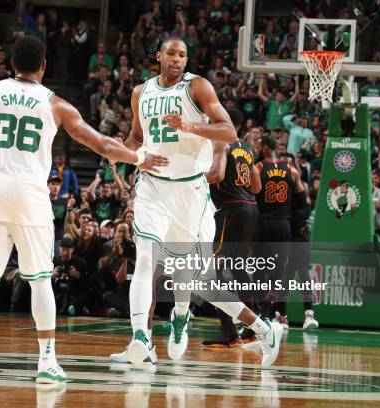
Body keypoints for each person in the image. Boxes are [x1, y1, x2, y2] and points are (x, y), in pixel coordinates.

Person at [0, 36, 168, 385]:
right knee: (41, 278)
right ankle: (47, 362)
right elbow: (102, 144)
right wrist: (139, 156)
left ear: (11, 65)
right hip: (30, 194)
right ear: (44, 66)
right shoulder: (55, 103)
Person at [119, 36, 283, 368]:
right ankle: (139, 337)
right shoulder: (141, 92)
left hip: (189, 193)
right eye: (171, 53)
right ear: (158, 56)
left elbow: (229, 132)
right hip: (152, 186)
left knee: (199, 282)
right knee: (146, 258)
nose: (177, 59)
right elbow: (136, 138)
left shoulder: (199, 88)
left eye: (182, 55)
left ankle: (261, 328)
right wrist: (125, 153)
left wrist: (190, 127)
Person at [202, 108, 262, 347]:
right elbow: (256, 187)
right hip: (250, 208)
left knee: (215, 271)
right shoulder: (246, 149)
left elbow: (215, 176)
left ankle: (229, 331)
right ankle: (252, 326)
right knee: (238, 270)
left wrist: (189, 178)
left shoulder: (220, 143)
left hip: (232, 209)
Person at [254, 135, 305, 328]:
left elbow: (253, 193)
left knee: (259, 270)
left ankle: (258, 312)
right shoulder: (292, 171)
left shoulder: (258, 168)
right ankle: (268, 311)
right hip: (282, 225)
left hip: (263, 224)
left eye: (260, 146)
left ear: (266, 148)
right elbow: (302, 202)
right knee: (278, 273)